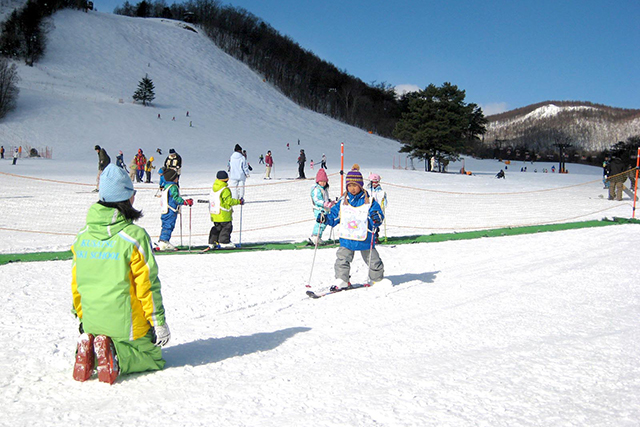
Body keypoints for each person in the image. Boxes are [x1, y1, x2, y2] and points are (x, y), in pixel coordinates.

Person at [71, 164, 171, 385]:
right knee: (152, 357)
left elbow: (76, 283)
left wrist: (81, 317)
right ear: (127, 198)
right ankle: (116, 356)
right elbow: (147, 285)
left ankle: (92, 351)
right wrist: (159, 322)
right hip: (127, 326)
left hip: (91, 321)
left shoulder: (82, 236)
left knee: (104, 336)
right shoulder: (134, 237)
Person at [317, 166, 385, 290]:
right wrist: (325, 218)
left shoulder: (369, 201)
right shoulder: (343, 202)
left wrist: (376, 217)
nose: (352, 189)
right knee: (342, 259)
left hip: (364, 237)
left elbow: (378, 216)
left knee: (373, 260)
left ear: (360, 185)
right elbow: (334, 216)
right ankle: (342, 279)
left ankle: (377, 279)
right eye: (350, 186)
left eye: (355, 185)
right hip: (347, 237)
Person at [206, 170, 244, 250]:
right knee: (227, 227)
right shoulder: (225, 189)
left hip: (215, 212)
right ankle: (224, 242)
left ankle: (212, 241)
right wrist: (238, 201)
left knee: (217, 227)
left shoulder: (214, 187)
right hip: (223, 213)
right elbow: (229, 201)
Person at [158, 168, 192, 250]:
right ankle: (164, 241)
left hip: (166, 209)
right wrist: (185, 202)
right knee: (169, 225)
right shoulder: (173, 187)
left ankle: (163, 240)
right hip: (170, 209)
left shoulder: (166, 186)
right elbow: (175, 198)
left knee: (166, 225)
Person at [310, 169, 334, 245]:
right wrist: (324, 203)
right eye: (321, 181)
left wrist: (330, 202)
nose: (323, 183)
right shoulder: (316, 189)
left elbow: (325, 198)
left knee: (324, 223)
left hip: (325, 209)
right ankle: (315, 236)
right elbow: (316, 199)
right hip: (319, 209)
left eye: (324, 181)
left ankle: (318, 236)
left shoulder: (325, 189)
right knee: (320, 222)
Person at [367, 173, 388, 243]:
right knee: (368, 224)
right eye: (373, 182)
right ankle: (369, 237)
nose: (375, 184)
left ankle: (375, 237)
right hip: (369, 209)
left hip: (377, 209)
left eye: (376, 182)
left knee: (375, 223)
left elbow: (383, 199)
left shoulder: (381, 191)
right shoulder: (368, 190)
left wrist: (384, 201)